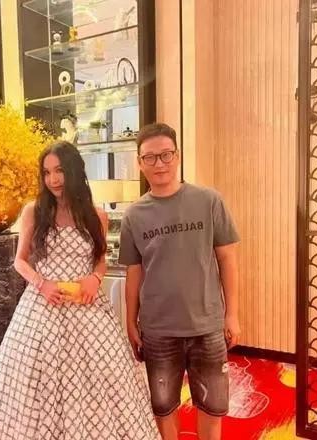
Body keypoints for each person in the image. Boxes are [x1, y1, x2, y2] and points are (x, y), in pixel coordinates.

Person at [0, 141, 159, 440]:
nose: (53, 179)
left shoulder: (96, 216)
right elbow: (20, 261)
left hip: (87, 306)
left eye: (59, 170)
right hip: (42, 306)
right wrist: (42, 284)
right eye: (47, 172)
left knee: (101, 378)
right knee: (36, 382)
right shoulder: (34, 212)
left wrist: (95, 279)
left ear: (74, 171)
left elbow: (100, 260)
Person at [119, 123, 241, 440]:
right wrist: (130, 321)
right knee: (163, 407)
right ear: (139, 163)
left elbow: (227, 259)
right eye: (150, 157)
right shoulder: (134, 215)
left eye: (166, 155)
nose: (159, 163)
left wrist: (232, 314)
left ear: (178, 156)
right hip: (158, 330)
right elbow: (134, 272)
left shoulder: (209, 201)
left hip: (207, 326)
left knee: (212, 405)